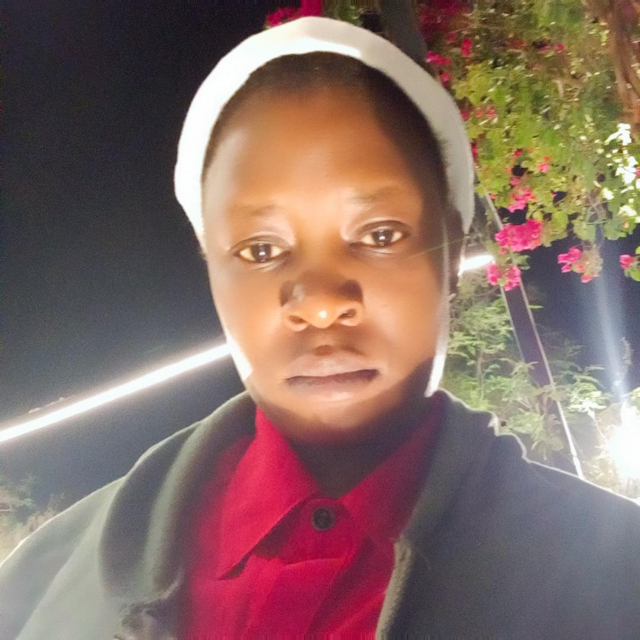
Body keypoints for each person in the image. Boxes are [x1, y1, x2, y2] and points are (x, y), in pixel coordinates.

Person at [1, 16, 639, 640]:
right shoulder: (42, 581)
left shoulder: (615, 577)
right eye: (259, 250)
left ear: (450, 249)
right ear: (211, 270)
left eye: (380, 235)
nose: (321, 303)